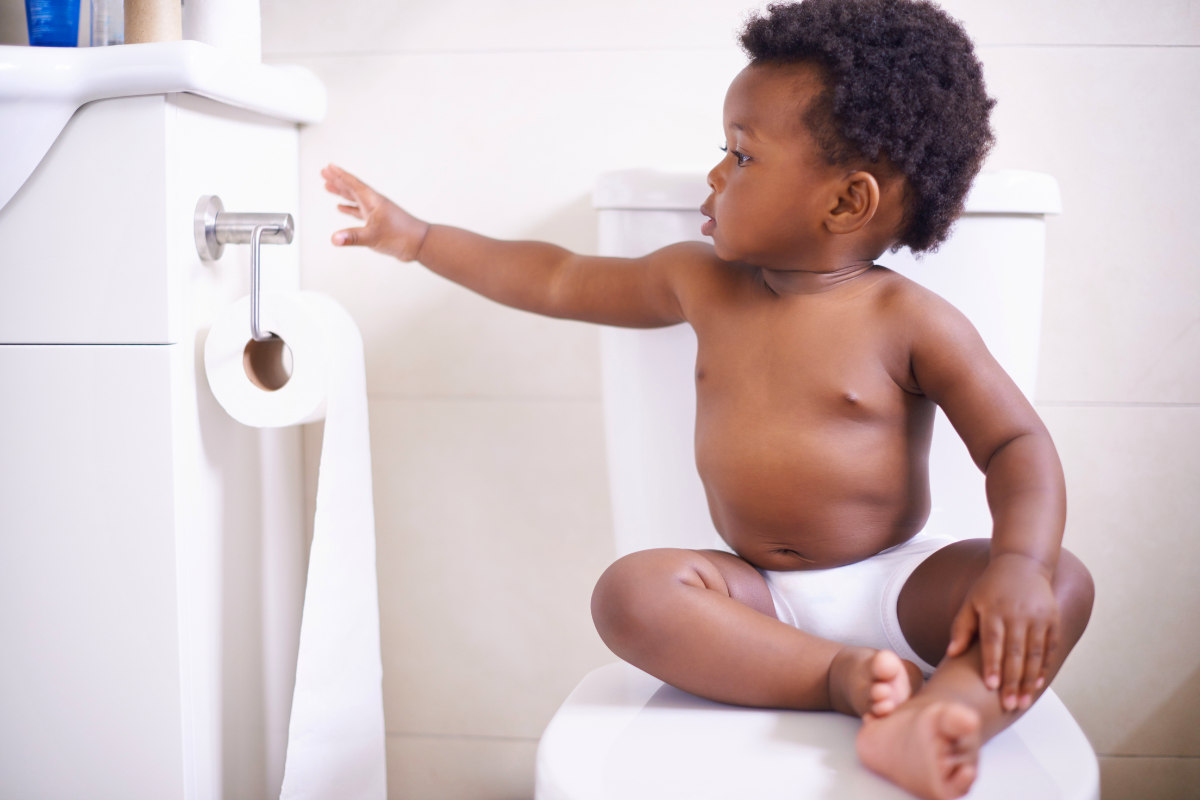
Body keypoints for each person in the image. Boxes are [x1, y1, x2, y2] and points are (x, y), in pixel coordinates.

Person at [320, 1, 1093, 797]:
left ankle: (949, 716)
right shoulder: (701, 282)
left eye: (743, 156)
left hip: (901, 586)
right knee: (630, 595)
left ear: (844, 203)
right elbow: (557, 277)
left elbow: (1016, 446)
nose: (717, 174)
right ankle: (842, 678)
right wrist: (416, 239)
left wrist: (1021, 566)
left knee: (1063, 583)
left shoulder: (912, 322)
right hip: (753, 603)